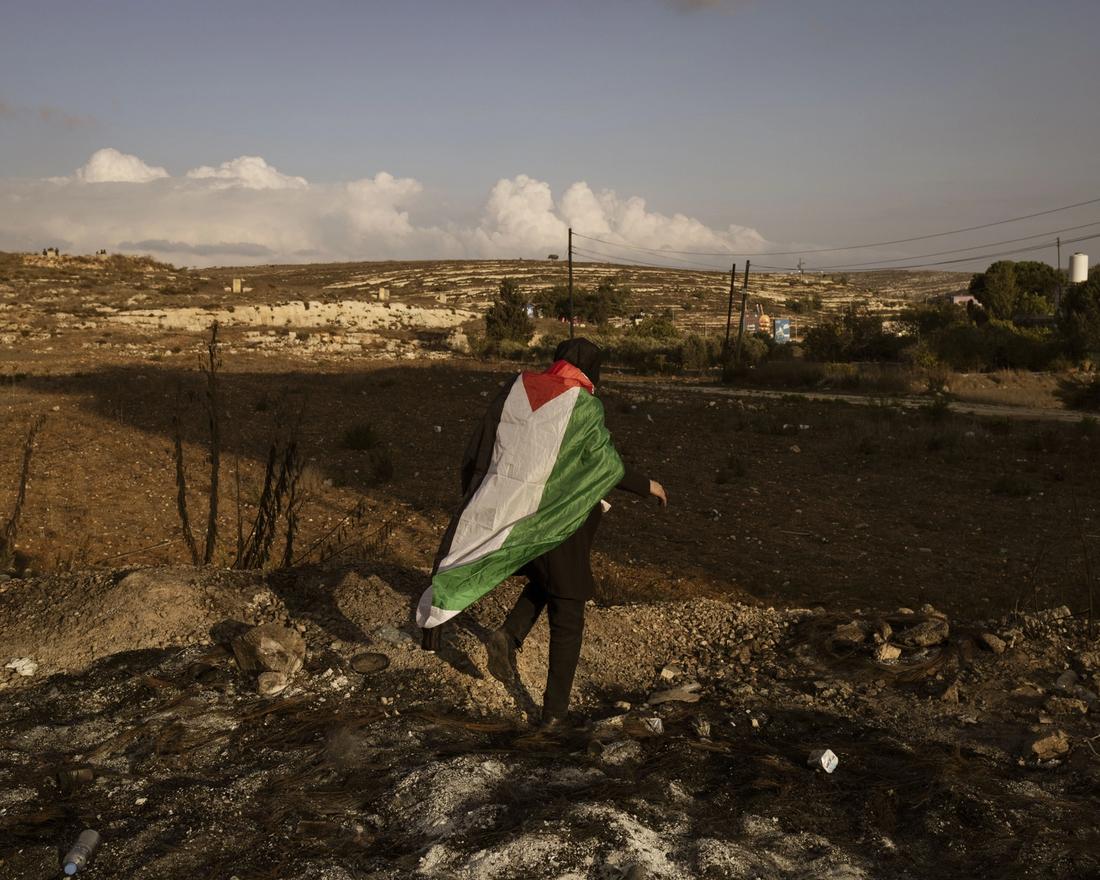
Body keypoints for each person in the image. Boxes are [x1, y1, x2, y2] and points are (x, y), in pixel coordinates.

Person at [417, 338, 666, 731]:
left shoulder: (513, 390)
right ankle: (554, 717)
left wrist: (477, 498)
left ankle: (509, 635)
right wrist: (646, 485)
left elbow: (477, 450)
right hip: (556, 521)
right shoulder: (584, 405)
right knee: (568, 610)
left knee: (542, 576)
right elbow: (604, 463)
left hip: (514, 517)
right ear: (592, 374)